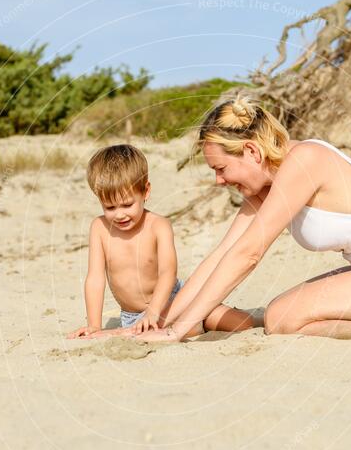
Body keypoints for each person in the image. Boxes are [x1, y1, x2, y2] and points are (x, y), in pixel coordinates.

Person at [137, 96, 351, 342]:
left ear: (250, 151)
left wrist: (178, 331)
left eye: (221, 168)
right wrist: (157, 323)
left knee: (282, 319)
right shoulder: (266, 187)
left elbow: (249, 255)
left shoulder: (305, 160)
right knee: (280, 313)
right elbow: (224, 254)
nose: (219, 180)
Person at [67, 144, 253, 339]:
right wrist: (94, 325)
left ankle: (212, 318)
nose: (120, 214)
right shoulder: (99, 228)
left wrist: (154, 313)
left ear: (145, 191)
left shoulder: (158, 226)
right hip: (135, 317)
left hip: (174, 301)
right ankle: (194, 324)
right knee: (167, 330)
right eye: (110, 207)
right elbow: (95, 279)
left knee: (241, 322)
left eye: (127, 204)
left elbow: (167, 272)